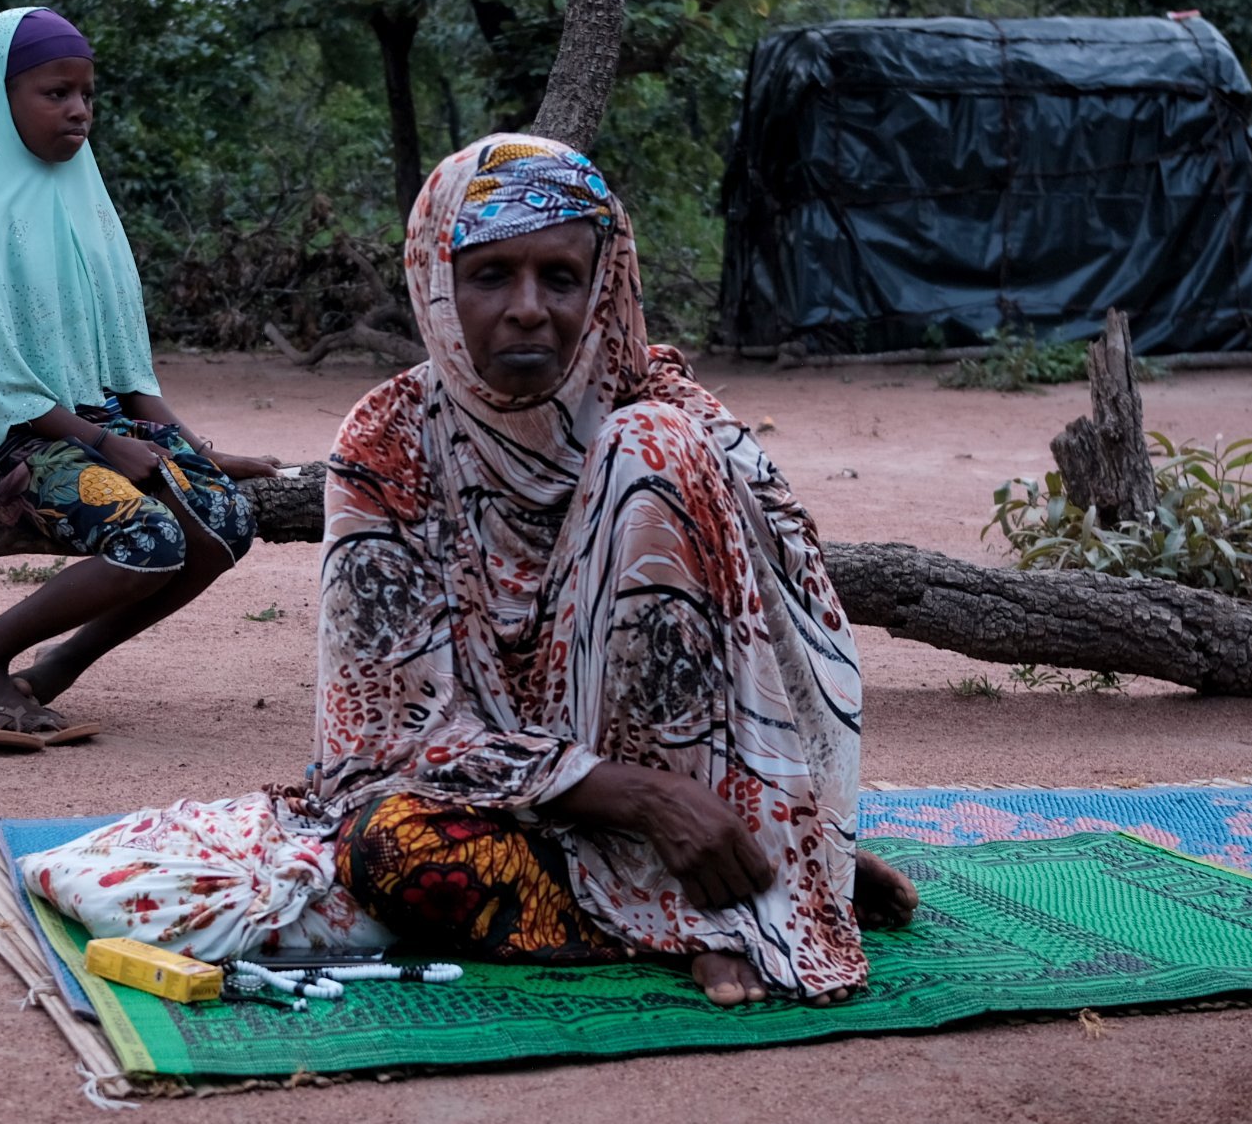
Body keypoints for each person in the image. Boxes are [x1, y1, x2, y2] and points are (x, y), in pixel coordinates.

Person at [314, 134, 916, 1006]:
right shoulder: (387, 442)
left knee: (654, 451)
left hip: (707, 781)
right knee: (388, 850)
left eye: (559, 277)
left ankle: (751, 866)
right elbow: (390, 739)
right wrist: (639, 800)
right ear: (438, 282)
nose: (528, 308)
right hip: (515, 794)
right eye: (491, 276)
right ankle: (736, 880)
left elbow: (793, 643)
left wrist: (760, 803)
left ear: (601, 285)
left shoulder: (667, 416)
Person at [0, 7, 279, 746]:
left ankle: (58, 667)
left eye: (86, 93)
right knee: (148, 535)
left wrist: (193, 447)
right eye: (56, 93)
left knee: (227, 521)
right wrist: (104, 443)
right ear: (2, 97)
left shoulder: (85, 201)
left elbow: (125, 366)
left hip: (91, 430)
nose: (78, 110)